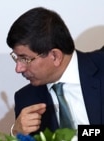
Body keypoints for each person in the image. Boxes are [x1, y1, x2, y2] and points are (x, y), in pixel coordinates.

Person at [6, 7, 104, 136]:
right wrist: (17, 133)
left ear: (55, 56)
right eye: (16, 58)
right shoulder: (26, 99)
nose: (18, 69)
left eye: (25, 59)